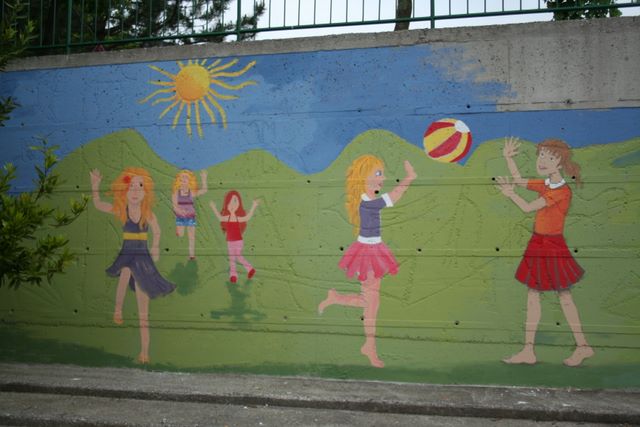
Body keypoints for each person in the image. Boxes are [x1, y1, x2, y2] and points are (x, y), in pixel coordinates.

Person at [495, 137, 594, 367]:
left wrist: (510, 194)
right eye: (541, 155)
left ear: (560, 163)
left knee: (564, 296)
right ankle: (528, 351)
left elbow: (528, 207)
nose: (542, 160)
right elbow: (520, 181)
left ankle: (582, 346)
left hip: (552, 246)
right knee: (533, 295)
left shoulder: (561, 191)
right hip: (538, 243)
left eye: (549, 157)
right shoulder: (547, 184)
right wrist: (509, 159)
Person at [318, 155, 417, 368]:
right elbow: (394, 197)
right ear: (365, 177)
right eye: (378, 173)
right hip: (368, 253)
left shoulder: (367, 201)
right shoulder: (368, 204)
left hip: (373, 249)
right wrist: (409, 177)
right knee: (371, 302)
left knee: (370, 301)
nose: (383, 178)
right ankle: (369, 346)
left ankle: (337, 299)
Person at [90, 167, 175, 364]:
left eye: (140, 186)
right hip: (127, 255)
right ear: (124, 191)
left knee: (143, 312)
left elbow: (157, 231)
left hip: (143, 260)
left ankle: (144, 352)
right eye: (131, 186)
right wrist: (95, 186)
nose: (136, 190)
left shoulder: (148, 214)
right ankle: (118, 309)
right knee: (126, 269)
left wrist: (156, 246)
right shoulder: (123, 210)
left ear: (146, 191)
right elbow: (99, 204)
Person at [209, 191, 259, 283]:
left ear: (238, 204)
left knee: (235, 257)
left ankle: (235, 274)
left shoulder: (236, 218)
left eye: (235, 202)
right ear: (227, 204)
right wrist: (213, 208)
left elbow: (247, 217)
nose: (233, 205)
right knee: (234, 257)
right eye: (231, 202)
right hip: (230, 241)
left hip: (238, 241)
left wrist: (254, 206)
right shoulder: (227, 218)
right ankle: (244, 271)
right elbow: (220, 218)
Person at [172, 169, 208, 260]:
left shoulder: (191, 192)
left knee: (191, 236)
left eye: (186, 178)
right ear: (179, 180)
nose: (184, 179)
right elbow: (174, 206)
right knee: (181, 234)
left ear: (190, 181)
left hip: (190, 216)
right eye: (182, 177)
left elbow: (204, 190)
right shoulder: (176, 193)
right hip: (180, 216)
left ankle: (192, 255)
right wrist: (179, 211)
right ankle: (178, 230)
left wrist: (204, 179)